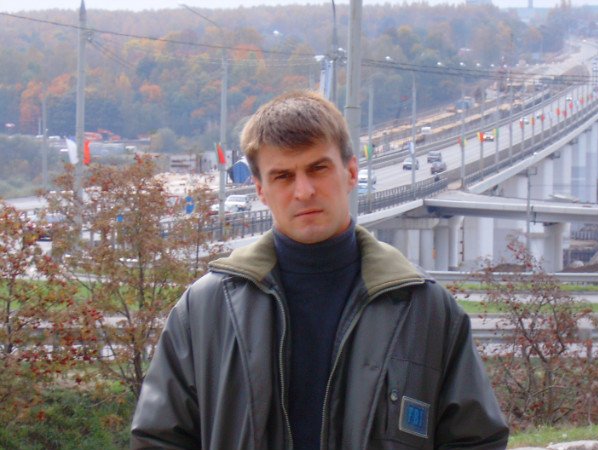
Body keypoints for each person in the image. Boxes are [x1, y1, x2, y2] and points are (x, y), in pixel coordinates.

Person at [131, 90, 509, 449]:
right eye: (283, 176)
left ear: (351, 172)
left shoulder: (424, 309)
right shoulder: (207, 310)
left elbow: (475, 439)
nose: (304, 191)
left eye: (318, 168)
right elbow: (159, 437)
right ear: (260, 190)